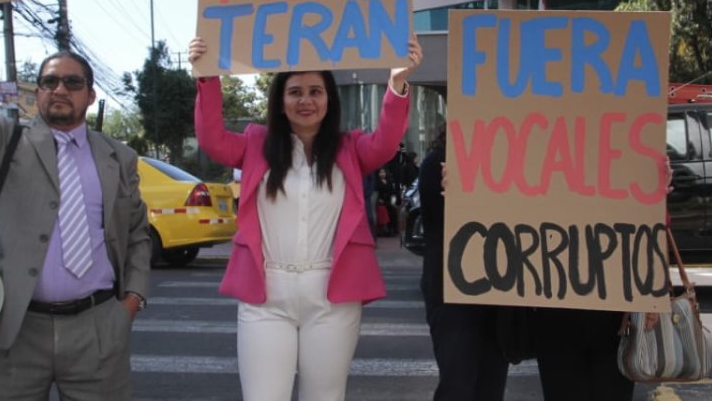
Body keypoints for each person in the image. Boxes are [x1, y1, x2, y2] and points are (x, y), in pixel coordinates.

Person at [0, 0, 152, 400]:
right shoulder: (2, 143)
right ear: (37, 92)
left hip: (98, 328)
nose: (59, 89)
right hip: (17, 329)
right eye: (49, 82)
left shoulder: (119, 157)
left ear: (90, 94)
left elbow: (136, 233)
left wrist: (131, 301)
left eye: (72, 82)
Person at [190, 35, 422, 401]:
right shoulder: (255, 144)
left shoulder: (350, 149)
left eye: (316, 91)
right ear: (280, 102)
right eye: (295, 91)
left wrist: (396, 83)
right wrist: (208, 76)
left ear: (329, 100)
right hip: (266, 297)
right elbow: (212, 138)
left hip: (331, 297)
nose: (306, 100)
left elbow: (385, 143)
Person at [419, 124, 509, 401]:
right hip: (452, 291)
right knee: (458, 384)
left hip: (498, 289)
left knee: (490, 385)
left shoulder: (509, 161)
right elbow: (436, 225)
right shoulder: (438, 162)